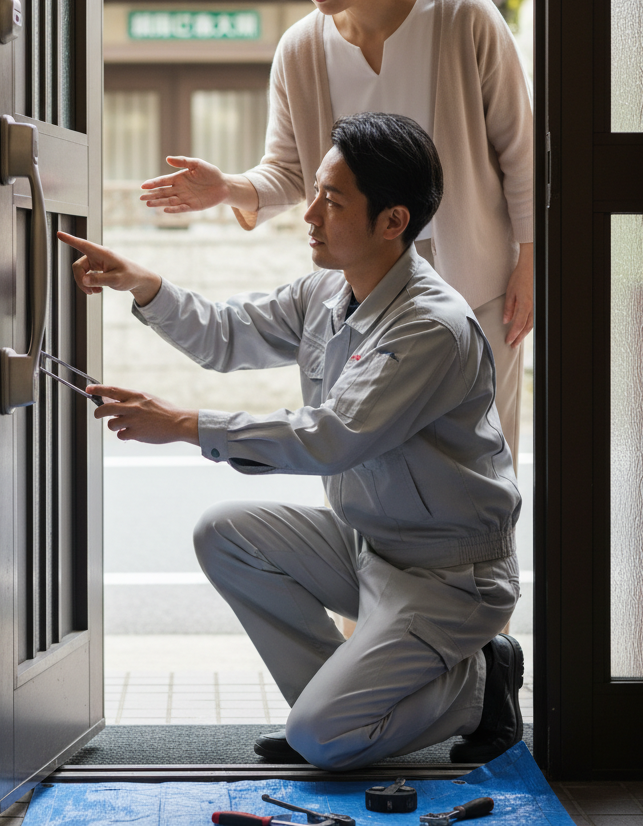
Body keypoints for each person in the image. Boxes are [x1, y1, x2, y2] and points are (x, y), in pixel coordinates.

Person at [60, 113, 523, 770]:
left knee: (324, 740)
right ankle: (332, 708)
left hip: (447, 576)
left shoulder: (431, 327)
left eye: (332, 201)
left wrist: (185, 424)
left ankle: (480, 683)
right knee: (226, 533)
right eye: (315, 193)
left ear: (392, 222)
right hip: (371, 549)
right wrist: (143, 284)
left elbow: (331, 438)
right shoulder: (328, 291)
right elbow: (226, 335)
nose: (308, 214)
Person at [137, 0, 533, 469]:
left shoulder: (463, 16)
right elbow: (289, 174)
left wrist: (530, 259)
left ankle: (479, 572)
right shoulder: (300, 47)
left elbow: (520, 150)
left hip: (473, 288)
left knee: (479, 463)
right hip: (368, 294)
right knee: (371, 470)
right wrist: (227, 189)